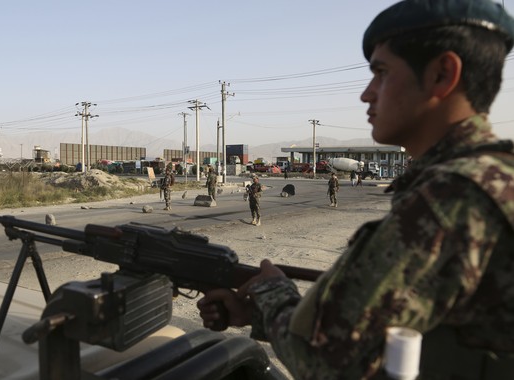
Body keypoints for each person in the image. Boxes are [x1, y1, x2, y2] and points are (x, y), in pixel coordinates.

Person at [197, 1, 514, 379]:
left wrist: (271, 293)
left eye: (381, 73)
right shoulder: (495, 177)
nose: (367, 94)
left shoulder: (450, 198)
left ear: (442, 74)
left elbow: (327, 363)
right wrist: (262, 313)